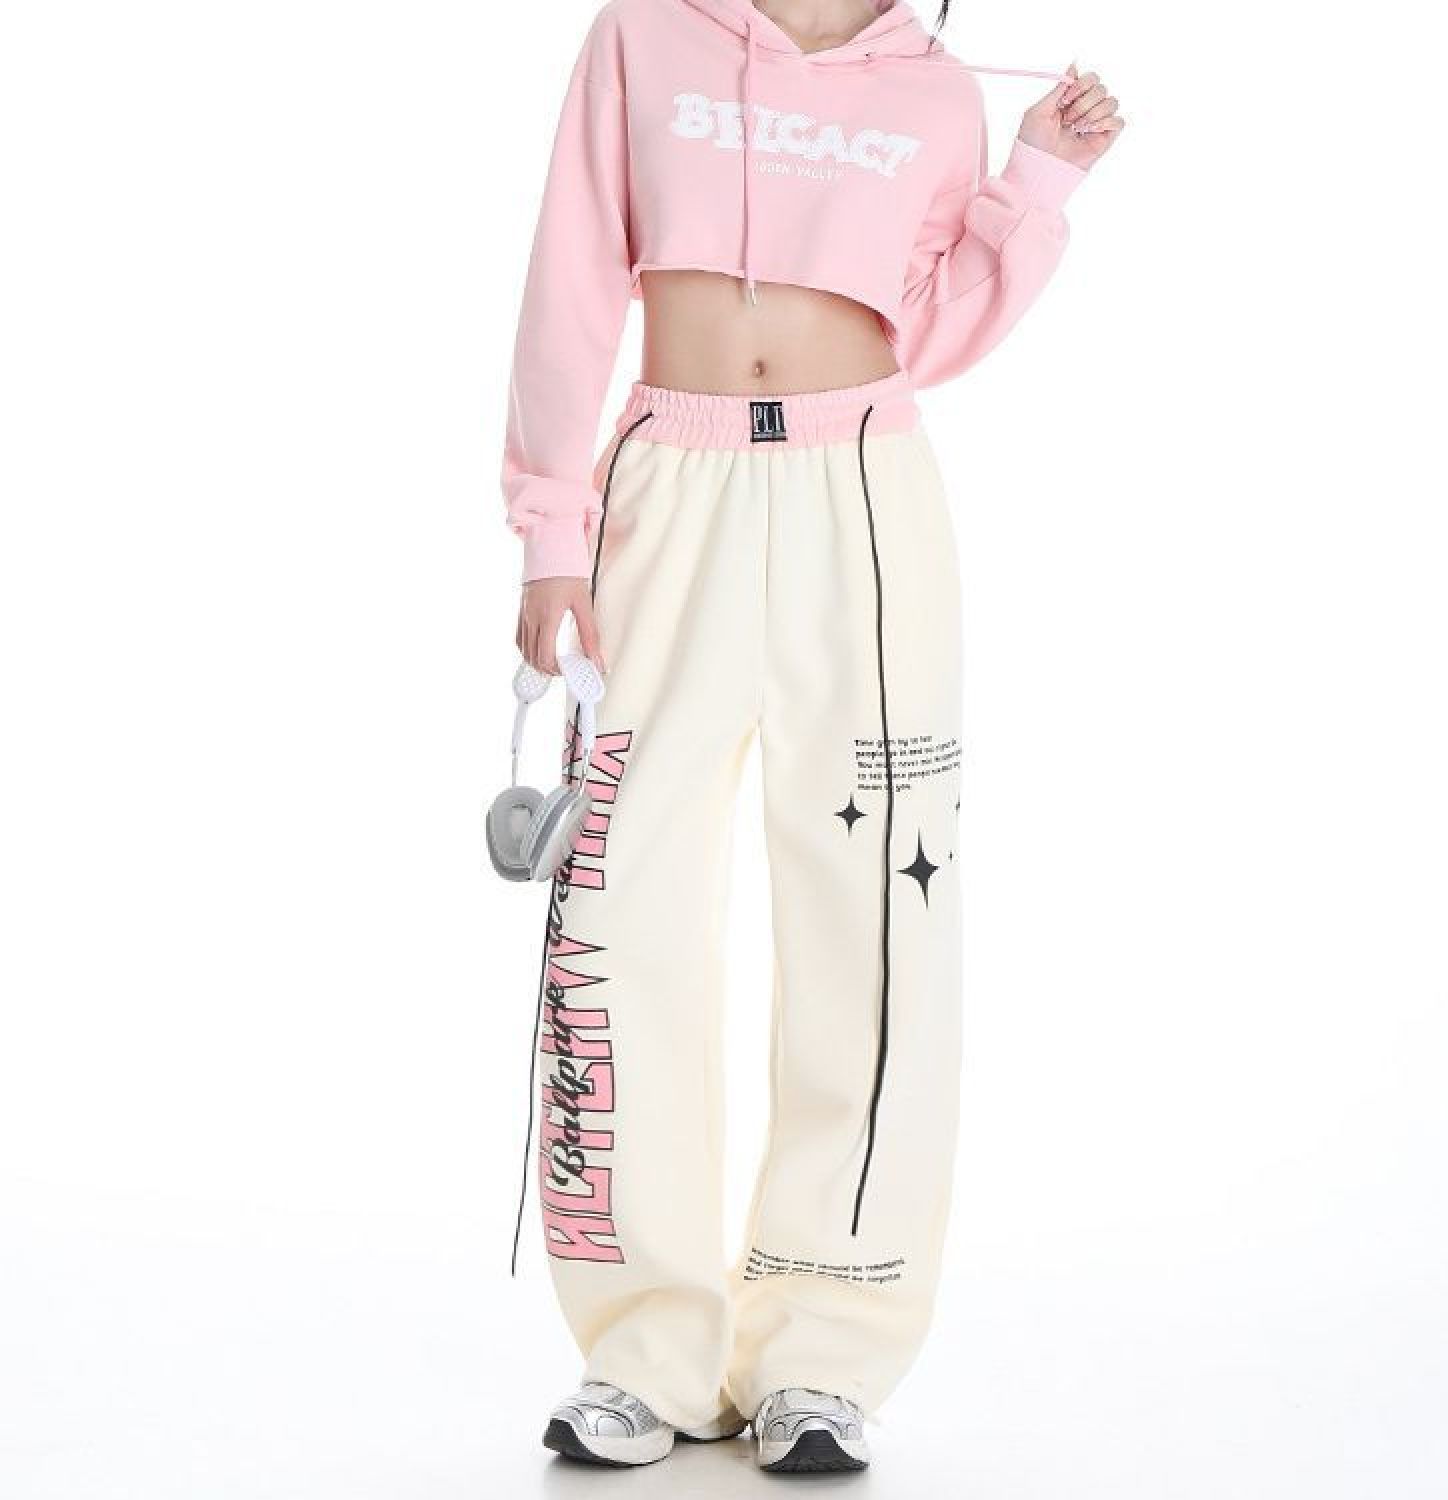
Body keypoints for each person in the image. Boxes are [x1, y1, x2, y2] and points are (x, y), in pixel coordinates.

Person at [501, 0, 1122, 1473]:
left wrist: (1034, 180)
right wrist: (551, 531)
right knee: (618, 907)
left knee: (876, 915)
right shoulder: (644, 37)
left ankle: (825, 1349)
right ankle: (645, 1348)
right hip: (669, 491)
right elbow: (573, 274)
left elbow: (933, 330)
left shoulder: (936, 90)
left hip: (866, 501)